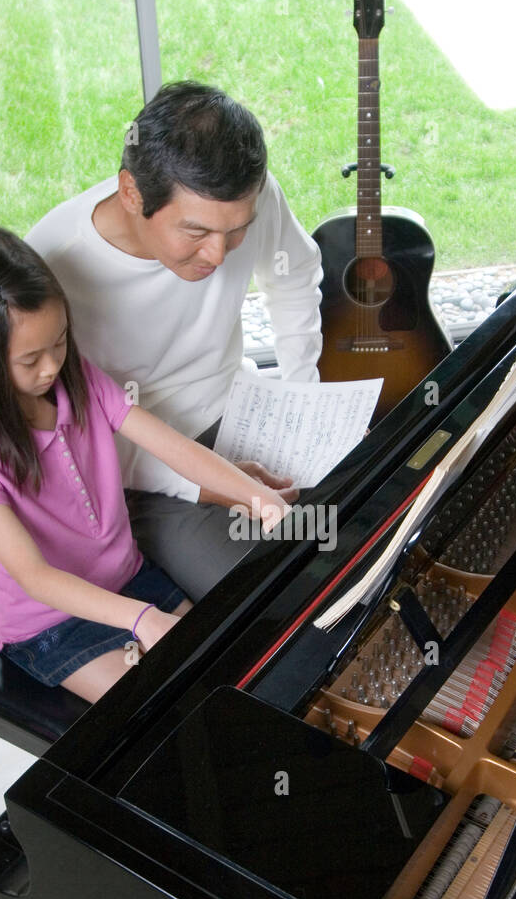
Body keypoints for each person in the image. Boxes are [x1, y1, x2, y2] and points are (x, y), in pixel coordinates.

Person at [0, 229, 288, 705]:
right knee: (164, 709)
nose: (52, 367)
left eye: (59, 342)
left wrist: (258, 497)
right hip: (49, 624)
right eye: (30, 359)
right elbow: (34, 577)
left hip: (129, 579)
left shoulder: (79, 378)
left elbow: (172, 447)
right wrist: (141, 619)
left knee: (222, 671)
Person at [25, 81, 322, 601]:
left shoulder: (243, 200)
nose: (218, 255)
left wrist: (304, 399)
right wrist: (215, 483)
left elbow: (294, 274)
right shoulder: (52, 267)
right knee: (271, 594)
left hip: (242, 415)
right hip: (133, 469)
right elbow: (63, 439)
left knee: (367, 517)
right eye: (197, 233)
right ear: (132, 193)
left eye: (236, 232)